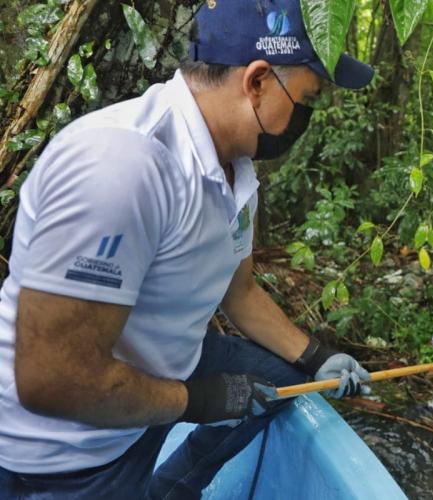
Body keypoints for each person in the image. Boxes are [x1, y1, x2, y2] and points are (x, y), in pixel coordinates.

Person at [0, 0, 374, 497]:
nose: (307, 116)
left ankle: (174, 487)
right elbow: (54, 378)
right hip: (70, 452)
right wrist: (196, 401)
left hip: (162, 365)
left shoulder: (236, 171)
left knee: (281, 380)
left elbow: (239, 292)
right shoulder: (122, 168)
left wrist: (316, 356)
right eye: (307, 99)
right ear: (257, 81)